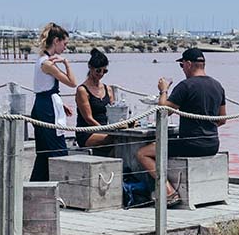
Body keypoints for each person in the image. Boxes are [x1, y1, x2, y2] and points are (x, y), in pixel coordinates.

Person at [137, 47, 226, 206]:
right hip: (212, 143)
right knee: (165, 146)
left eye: (182, 65)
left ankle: (169, 192)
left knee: (143, 153)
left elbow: (163, 112)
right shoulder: (218, 86)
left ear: (189, 64)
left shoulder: (186, 86)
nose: (182, 69)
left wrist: (163, 90)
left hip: (191, 144)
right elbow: (222, 119)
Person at [30, 22, 76, 182]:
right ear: (56, 41)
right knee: (58, 150)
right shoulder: (48, 63)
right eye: (64, 44)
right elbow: (72, 82)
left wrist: (61, 104)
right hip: (47, 109)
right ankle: (63, 187)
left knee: (43, 153)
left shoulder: (41, 60)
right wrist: (66, 63)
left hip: (42, 105)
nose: (65, 48)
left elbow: (42, 88)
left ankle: (36, 185)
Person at [75, 48, 115, 149]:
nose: (101, 74)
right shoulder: (82, 90)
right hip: (87, 132)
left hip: (105, 129)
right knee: (113, 139)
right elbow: (88, 118)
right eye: (98, 71)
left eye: (104, 71)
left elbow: (114, 112)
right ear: (90, 67)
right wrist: (105, 130)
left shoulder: (108, 89)